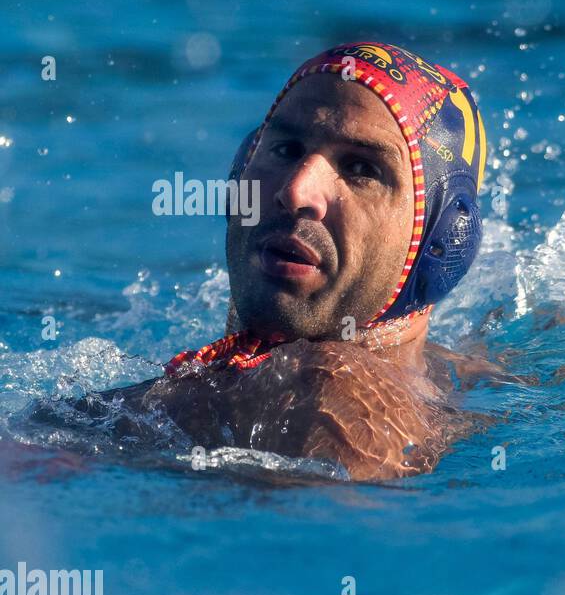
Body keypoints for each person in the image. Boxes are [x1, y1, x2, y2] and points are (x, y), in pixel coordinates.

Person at [108, 41, 502, 480]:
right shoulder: (465, 371)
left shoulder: (331, 400)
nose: (296, 192)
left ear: (439, 236)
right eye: (287, 149)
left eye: (361, 169)